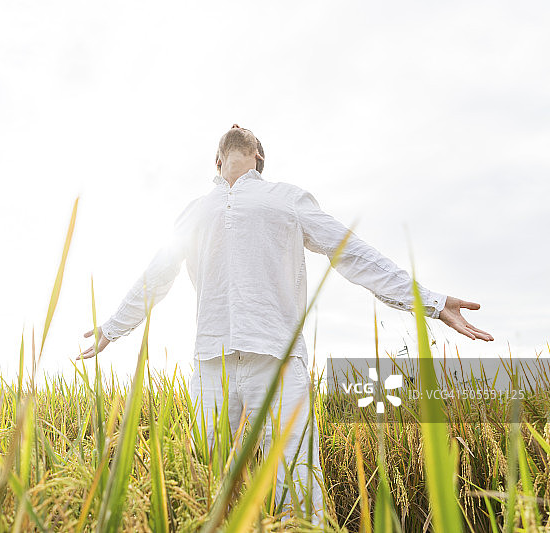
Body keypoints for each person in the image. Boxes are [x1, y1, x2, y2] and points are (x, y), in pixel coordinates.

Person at [76, 124, 493, 521]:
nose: (239, 128)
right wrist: (112, 328)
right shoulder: (194, 210)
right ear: (217, 160)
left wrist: (432, 303)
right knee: (209, 487)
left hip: (278, 362)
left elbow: (351, 252)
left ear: (257, 156)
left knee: (297, 488)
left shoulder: (285, 198)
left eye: (250, 134)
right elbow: (156, 275)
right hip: (211, 365)